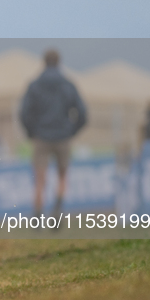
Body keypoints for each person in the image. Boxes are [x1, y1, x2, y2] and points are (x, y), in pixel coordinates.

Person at [20, 49, 87, 221]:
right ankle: (57, 208)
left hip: (41, 137)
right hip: (63, 137)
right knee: (62, 177)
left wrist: (31, 132)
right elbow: (82, 113)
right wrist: (71, 131)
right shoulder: (68, 84)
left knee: (40, 180)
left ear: (44, 62)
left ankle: (37, 215)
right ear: (59, 62)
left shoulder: (35, 85)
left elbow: (24, 113)